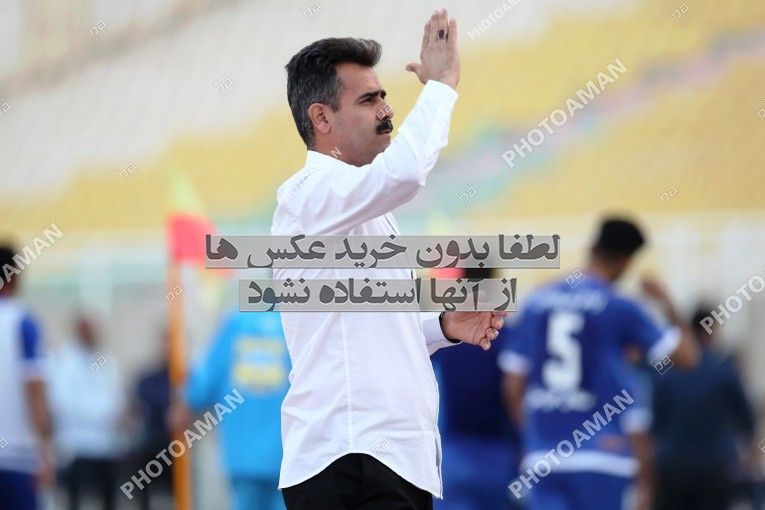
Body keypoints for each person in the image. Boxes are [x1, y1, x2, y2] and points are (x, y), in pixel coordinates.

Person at [274, 8, 506, 509]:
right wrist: (441, 85)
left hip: (382, 459)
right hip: (353, 458)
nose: (386, 109)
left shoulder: (363, 207)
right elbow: (405, 173)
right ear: (321, 118)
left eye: (383, 95)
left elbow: (366, 330)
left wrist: (442, 326)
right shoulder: (310, 193)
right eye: (369, 99)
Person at [500, 217, 698, 510]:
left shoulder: (536, 302)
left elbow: (512, 387)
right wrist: (666, 300)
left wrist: (534, 436)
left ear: (593, 247)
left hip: (544, 457)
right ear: (626, 261)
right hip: (602, 457)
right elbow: (688, 357)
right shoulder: (620, 307)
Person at [431, 267, 522, 510]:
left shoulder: (444, 334)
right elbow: (514, 389)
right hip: (498, 450)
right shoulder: (507, 334)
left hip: (453, 450)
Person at [651, 306, 757, 510]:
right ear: (710, 332)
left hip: (674, 466)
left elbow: (656, 423)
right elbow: (745, 419)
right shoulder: (724, 371)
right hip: (715, 467)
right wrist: (750, 455)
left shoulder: (667, 375)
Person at [184, 309, 289, 510]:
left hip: (243, 454)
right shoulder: (294, 324)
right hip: (287, 454)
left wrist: (184, 400)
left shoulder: (235, 323)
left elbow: (203, 385)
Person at [50, 314, 125, 510]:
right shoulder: (64, 360)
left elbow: (116, 399)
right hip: (77, 444)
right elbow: (62, 402)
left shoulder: (106, 360)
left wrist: (115, 416)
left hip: (106, 444)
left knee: (109, 498)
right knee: (75, 499)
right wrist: (101, 416)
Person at [0, 243, 54, 509]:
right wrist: (45, 449)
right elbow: (34, 388)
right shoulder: (22, 323)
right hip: (16, 456)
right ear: (15, 276)